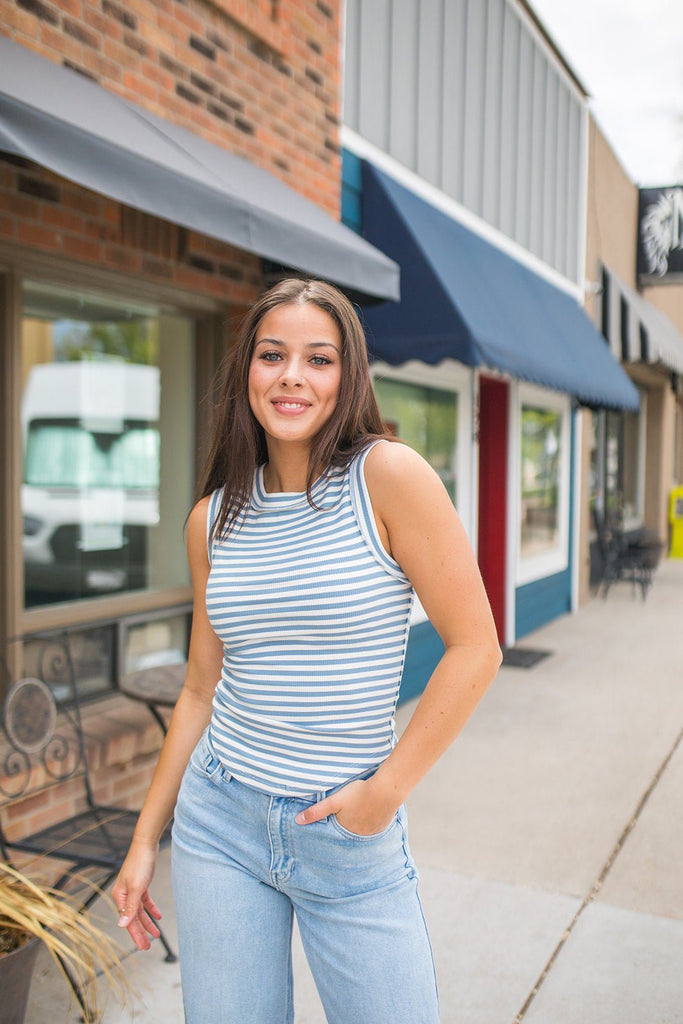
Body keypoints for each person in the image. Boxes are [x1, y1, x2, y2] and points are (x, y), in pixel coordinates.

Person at [113, 278, 502, 1024]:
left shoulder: (387, 478)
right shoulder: (212, 518)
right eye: (272, 355)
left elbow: (474, 647)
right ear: (247, 374)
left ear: (346, 377)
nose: (292, 375)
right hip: (218, 823)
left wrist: (381, 796)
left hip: (346, 830)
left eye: (318, 359)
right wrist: (142, 841)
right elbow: (200, 687)